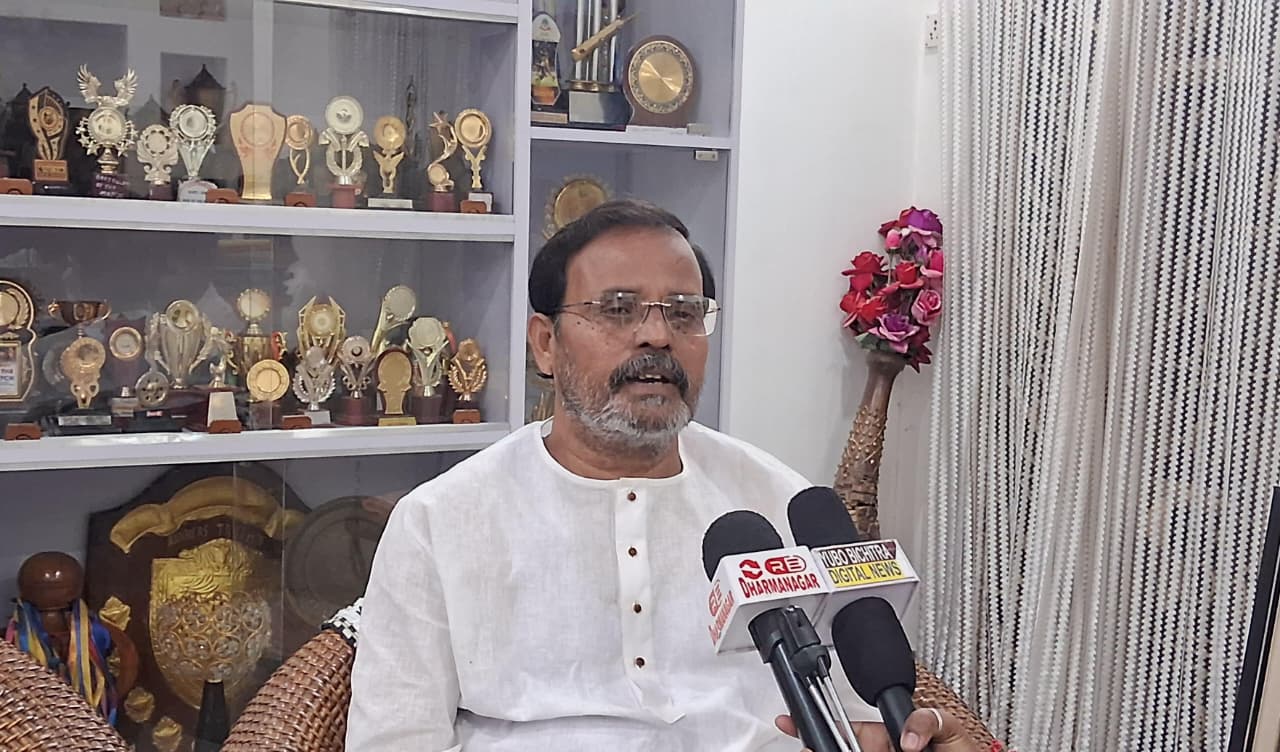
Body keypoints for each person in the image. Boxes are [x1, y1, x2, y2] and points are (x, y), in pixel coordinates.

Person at [347, 199, 979, 752]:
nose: (657, 336)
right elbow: (396, 737)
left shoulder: (779, 504)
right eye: (617, 309)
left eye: (683, 314)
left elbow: (856, 713)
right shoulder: (440, 522)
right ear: (545, 343)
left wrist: (903, 733)